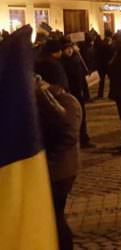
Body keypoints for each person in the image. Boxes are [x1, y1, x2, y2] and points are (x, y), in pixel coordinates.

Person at [36, 76, 81, 250]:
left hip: (59, 171)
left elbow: (67, 133)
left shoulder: (65, 101)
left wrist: (50, 157)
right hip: (58, 168)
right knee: (53, 216)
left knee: (55, 217)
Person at [60, 38, 95, 148]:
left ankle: (84, 138)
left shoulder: (77, 59)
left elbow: (82, 76)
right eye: (67, 49)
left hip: (79, 92)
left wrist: (85, 91)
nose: (69, 51)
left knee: (82, 117)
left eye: (70, 48)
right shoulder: (62, 63)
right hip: (69, 93)